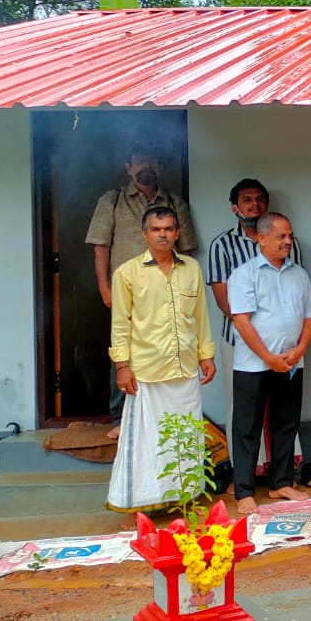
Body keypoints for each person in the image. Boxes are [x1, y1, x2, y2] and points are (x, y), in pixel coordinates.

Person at [105, 208, 216, 512]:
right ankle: (139, 502)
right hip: (146, 371)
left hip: (185, 370)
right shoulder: (127, 273)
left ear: (177, 233)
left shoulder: (192, 268)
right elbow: (120, 323)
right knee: (145, 441)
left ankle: (184, 498)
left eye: (168, 228)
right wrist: (122, 366)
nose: (163, 234)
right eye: (156, 229)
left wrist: (206, 354)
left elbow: (201, 316)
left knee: (186, 435)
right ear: (145, 234)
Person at [85, 141, 197, 424]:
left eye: (151, 162)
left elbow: (186, 251)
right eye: (139, 162)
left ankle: (160, 416)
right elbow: (101, 245)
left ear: (160, 166)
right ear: (128, 167)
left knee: (167, 345)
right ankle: (120, 418)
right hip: (126, 290)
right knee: (123, 348)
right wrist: (104, 287)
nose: (145, 167)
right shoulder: (111, 200)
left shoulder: (174, 203)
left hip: (168, 290)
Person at [227, 213, 311, 514]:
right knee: (247, 428)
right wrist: (269, 358)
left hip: (292, 362)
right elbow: (241, 321)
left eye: (290, 236)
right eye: (281, 237)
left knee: (286, 423)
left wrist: (300, 349)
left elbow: (310, 316)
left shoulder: (299, 274)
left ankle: (281, 482)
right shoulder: (244, 274)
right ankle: (244, 491)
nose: (287, 242)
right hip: (253, 364)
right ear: (261, 238)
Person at [206, 178, 303, 468]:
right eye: (247, 200)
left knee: (282, 408)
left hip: (283, 345)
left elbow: (294, 291)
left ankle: (280, 471)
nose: (254, 205)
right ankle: (244, 474)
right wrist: (259, 339)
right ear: (235, 208)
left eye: (260, 199)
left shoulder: (288, 242)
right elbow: (226, 304)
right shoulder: (222, 245)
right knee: (243, 409)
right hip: (238, 340)